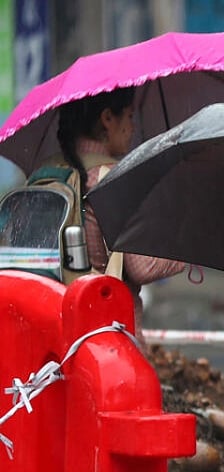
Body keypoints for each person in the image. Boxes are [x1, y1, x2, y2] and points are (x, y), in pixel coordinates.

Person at [53, 88, 185, 334]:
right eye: (129, 116)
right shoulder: (114, 180)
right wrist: (184, 243)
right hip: (109, 333)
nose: (133, 127)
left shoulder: (56, 171)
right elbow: (142, 267)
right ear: (107, 119)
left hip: (59, 326)